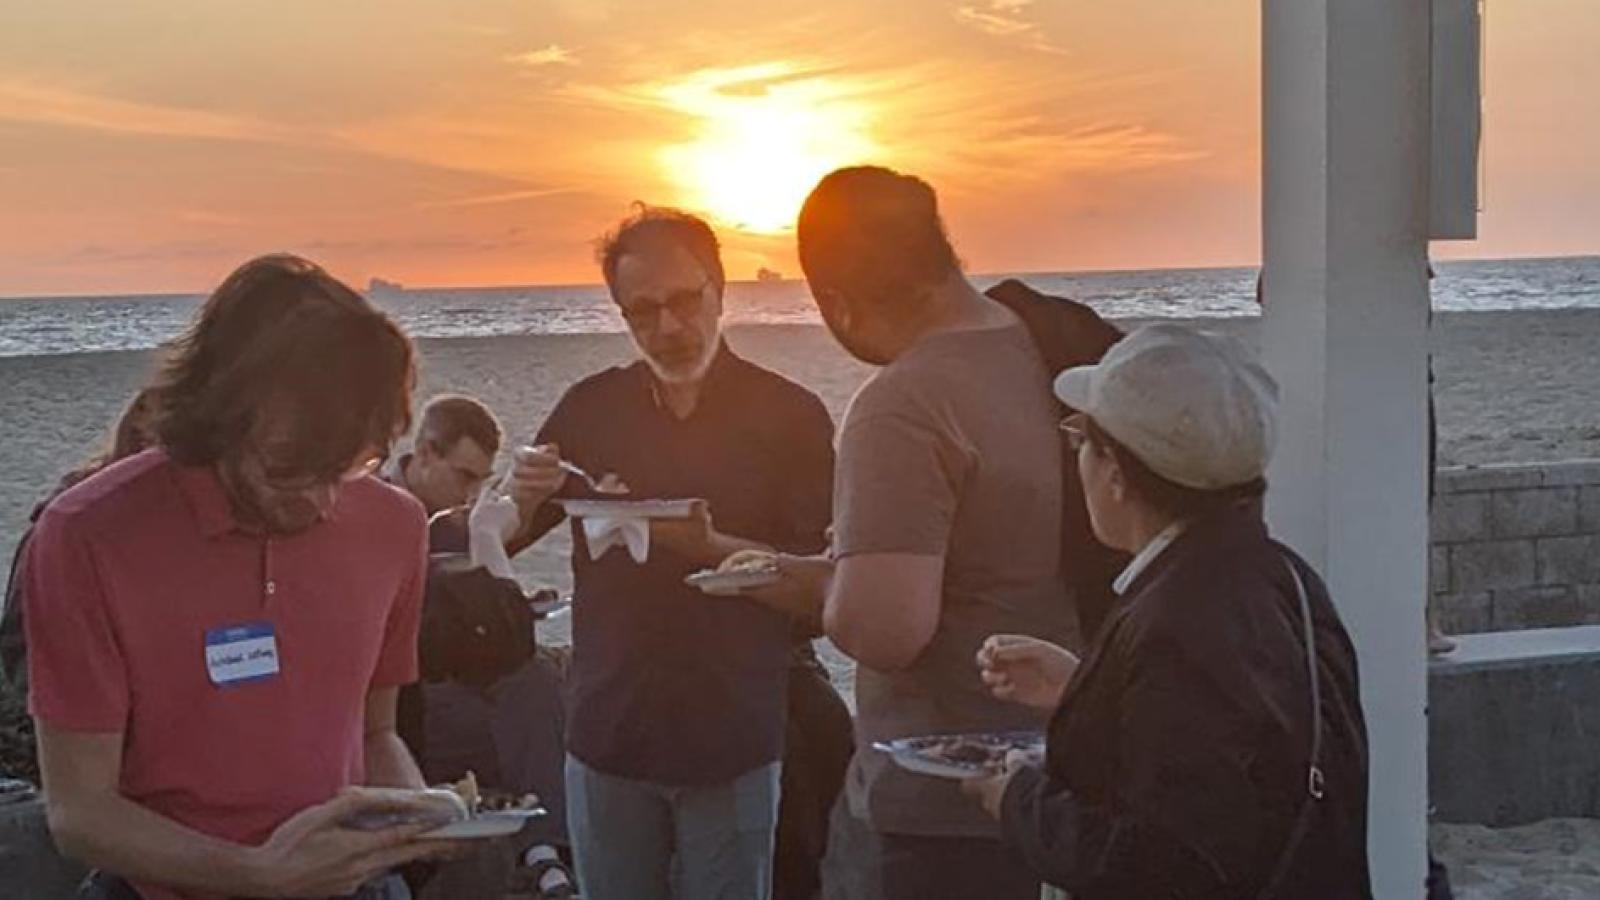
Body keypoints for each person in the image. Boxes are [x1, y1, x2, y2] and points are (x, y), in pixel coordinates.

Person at [23, 254, 458, 900]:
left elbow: (374, 733)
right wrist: (258, 875)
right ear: (218, 411)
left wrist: (423, 814)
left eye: (347, 465)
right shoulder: (87, 534)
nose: (318, 500)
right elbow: (80, 812)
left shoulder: (395, 525)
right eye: (287, 467)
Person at [965, 324, 1372, 898]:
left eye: (1081, 438)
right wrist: (1086, 688)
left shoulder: (1178, 619)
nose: (1076, 456)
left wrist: (1019, 800)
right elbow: (1245, 759)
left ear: (1115, 474)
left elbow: (1166, 864)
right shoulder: (1279, 577)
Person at [502, 206, 837, 900]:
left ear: (720, 287)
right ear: (621, 315)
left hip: (734, 735)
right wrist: (519, 493)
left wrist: (707, 548)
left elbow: (826, 590)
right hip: (607, 735)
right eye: (643, 311)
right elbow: (504, 537)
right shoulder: (591, 408)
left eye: (686, 301)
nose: (669, 327)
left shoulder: (791, 415)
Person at [771, 166, 1076, 899]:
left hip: (941, 803)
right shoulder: (1046, 347)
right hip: (1063, 776)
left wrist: (824, 576)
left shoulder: (902, 405)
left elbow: (885, 630)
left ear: (834, 303)